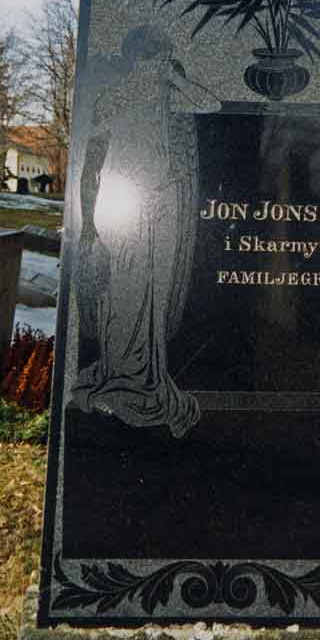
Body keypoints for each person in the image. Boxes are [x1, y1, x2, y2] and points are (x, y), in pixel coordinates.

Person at [71, 25, 220, 438]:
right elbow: (91, 162)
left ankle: (148, 380)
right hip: (124, 205)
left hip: (163, 206)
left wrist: (176, 80)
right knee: (126, 295)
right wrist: (89, 222)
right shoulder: (115, 98)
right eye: (161, 59)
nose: (165, 66)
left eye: (167, 60)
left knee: (154, 299)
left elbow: (211, 103)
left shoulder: (169, 98)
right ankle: (121, 378)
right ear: (140, 59)